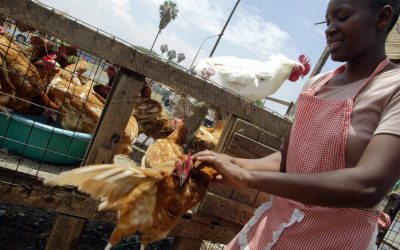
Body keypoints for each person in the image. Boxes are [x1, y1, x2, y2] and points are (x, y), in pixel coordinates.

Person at [193, 0, 400, 249]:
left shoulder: (393, 88)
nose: (330, 29)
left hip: (333, 241)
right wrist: (229, 164)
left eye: (342, 17)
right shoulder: (316, 85)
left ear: (383, 18)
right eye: (328, 21)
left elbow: (369, 186)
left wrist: (247, 177)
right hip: (273, 230)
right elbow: (285, 159)